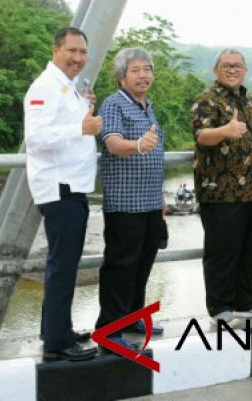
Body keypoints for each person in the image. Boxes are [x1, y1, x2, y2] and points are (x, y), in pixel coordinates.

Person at [24, 26, 101, 362]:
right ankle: (57, 342)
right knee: (62, 264)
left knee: (65, 263)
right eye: (72, 51)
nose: (78, 58)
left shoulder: (67, 87)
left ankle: (56, 329)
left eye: (83, 52)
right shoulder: (44, 86)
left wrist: (83, 111)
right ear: (56, 50)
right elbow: (37, 138)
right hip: (59, 187)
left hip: (73, 185)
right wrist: (80, 128)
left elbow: (66, 124)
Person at [190, 48, 252, 324]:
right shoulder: (206, 101)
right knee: (222, 253)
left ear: (245, 70)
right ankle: (219, 308)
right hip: (220, 192)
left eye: (237, 65)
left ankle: (246, 302)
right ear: (216, 70)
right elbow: (202, 136)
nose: (232, 69)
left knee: (250, 250)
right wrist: (225, 131)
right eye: (226, 65)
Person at [95, 47, 166, 352]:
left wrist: (162, 198)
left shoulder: (148, 106)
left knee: (143, 264)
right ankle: (109, 328)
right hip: (125, 203)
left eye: (147, 69)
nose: (143, 75)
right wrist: (138, 144)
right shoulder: (113, 104)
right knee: (120, 265)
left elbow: (156, 155)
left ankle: (132, 317)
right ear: (121, 76)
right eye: (136, 70)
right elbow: (112, 144)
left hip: (150, 201)